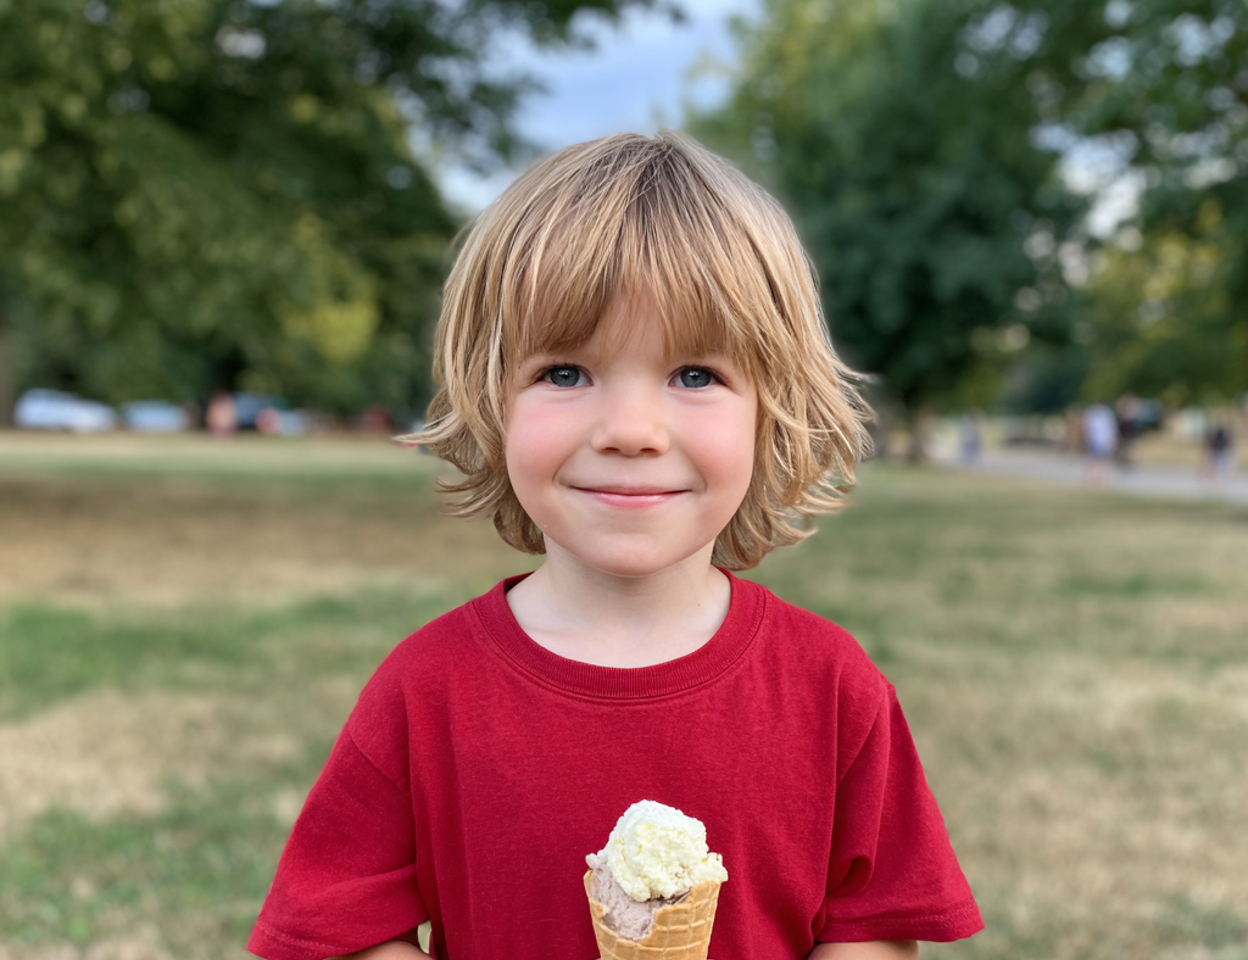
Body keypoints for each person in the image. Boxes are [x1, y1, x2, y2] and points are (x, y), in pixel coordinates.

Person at [248, 132, 983, 960]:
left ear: (770, 410)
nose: (632, 430)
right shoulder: (427, 692)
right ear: (491, 401)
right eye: (565, 372)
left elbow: (874, 930)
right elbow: (337, 930)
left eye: (695, 375)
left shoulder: (833, 689)